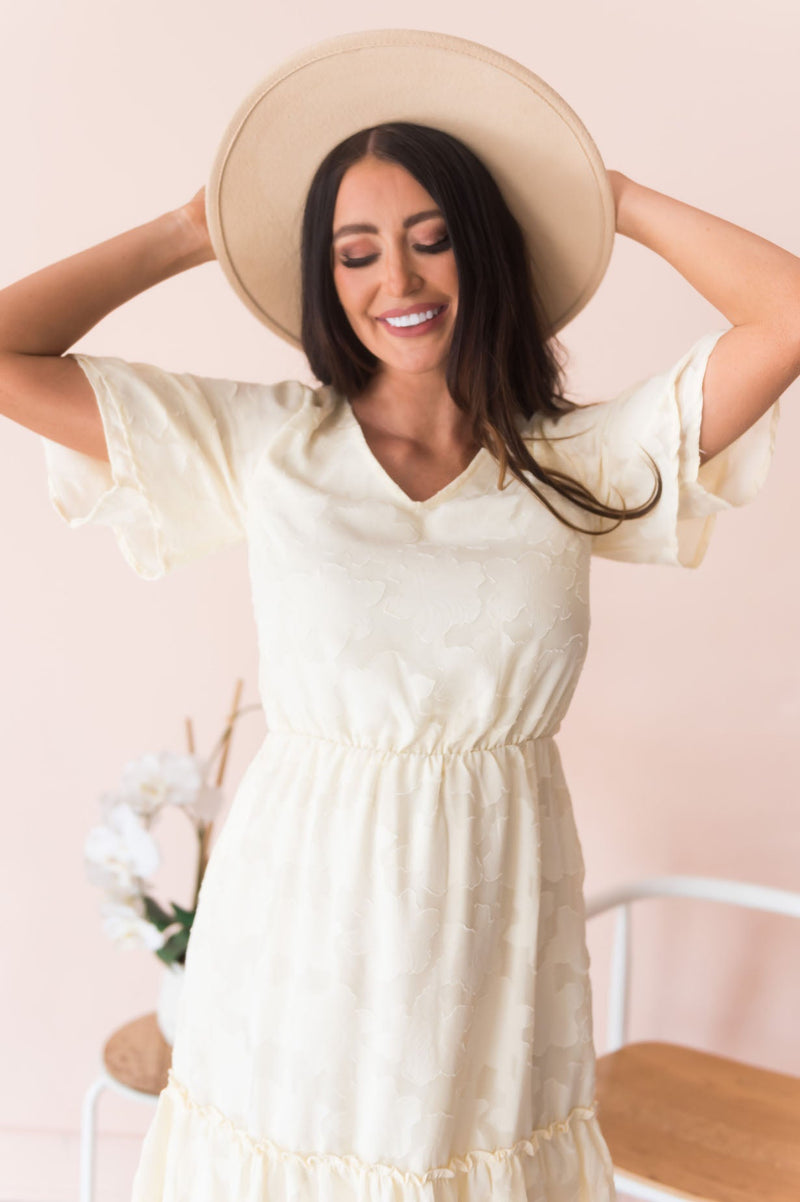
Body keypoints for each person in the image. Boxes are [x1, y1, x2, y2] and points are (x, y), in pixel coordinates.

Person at [1, 28, 793, 1202]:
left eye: (432, 239)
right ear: (322, 278)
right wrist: (188, 229)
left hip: (495, 911)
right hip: (299, 904)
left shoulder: (573, 460)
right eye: (355, 252)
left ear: (484, 248)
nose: (399, 281)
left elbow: (785, 315)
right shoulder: (263, 443)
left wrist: (611, 198)